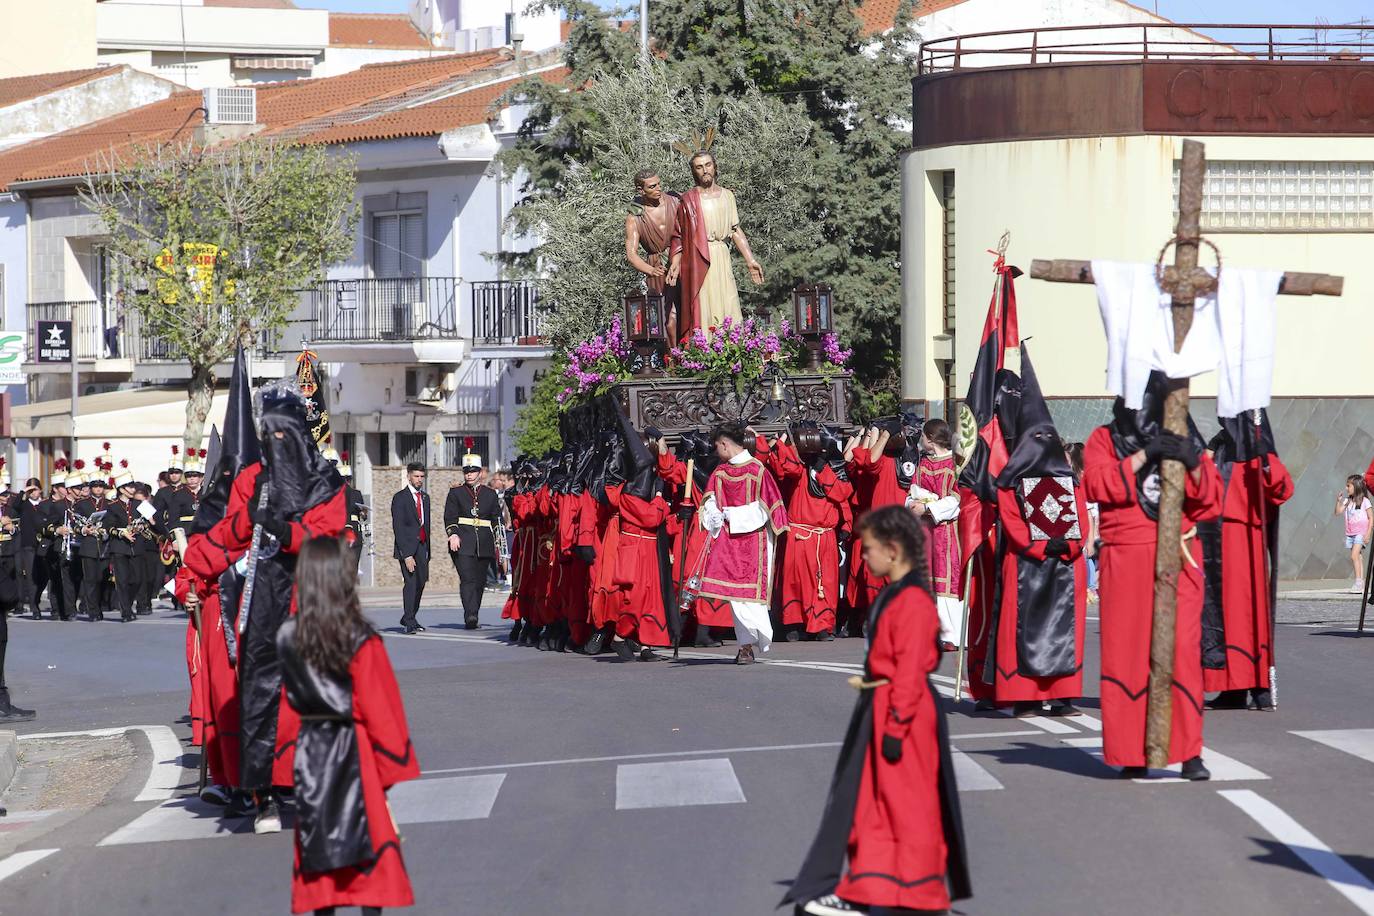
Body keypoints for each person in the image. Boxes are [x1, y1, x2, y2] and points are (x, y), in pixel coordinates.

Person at [783, 505, 970, 916]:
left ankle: (908, 893)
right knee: (876, 804)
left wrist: (895, 724)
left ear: (892, 549)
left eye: (868, 549)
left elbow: (912, 667)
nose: (862, 556)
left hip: (904, 715)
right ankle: (875, 887)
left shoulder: (916, 603)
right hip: (883, 707)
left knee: (905, 805)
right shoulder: (895, 593)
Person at [1082, 371, 1222, 780]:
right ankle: (1134, 749)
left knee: (1181, 652)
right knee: (1128, 655)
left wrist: (1193, 460)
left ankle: (1189, 750)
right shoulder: (1103, 440)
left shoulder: (1182, 436)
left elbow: (1210, 503)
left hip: (1178, 560)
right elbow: (1096, 484)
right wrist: (1143, 457)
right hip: (1124, 565)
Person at [278, 536, 420, 916]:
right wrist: (390, 766)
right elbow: (380, 706)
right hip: (354, 750)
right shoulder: (360, 636)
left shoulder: (288, 635)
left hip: (311, 749)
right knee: (368, 851)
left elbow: (286, 708)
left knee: (319, 847)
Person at [988, 348, 1088, 718]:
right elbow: (1012, 521)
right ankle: (1027, 696)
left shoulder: (1069, 480)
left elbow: (1081, 515)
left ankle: (1062, 695)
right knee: (1022, 629)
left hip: (1065, 562)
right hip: (1026, 563)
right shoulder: (1009, 483)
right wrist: (1035, 547)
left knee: (1065, 631)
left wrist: (1070, 545)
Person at [1202, 411, 1294, 711]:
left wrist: (1264, 459)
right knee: (1223, 616)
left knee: (1247, 616)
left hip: (1245, 540)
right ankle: (1232, 686)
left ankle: (1257, 684)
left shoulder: (1256, 447)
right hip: (1217, 540)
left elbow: (1282, 488)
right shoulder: (1218, 447)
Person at [697, 422, 788, 664]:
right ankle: (745, 645)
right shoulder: (719, 471)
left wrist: (732, 515)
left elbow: (767, 509)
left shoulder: (758, 470)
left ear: (725, 444)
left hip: (753, 541)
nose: (717, 452)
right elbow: (710, 501)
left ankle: (751, 641)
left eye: (717, 446)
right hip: (727, 541)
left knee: (749, 597)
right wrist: (713, 513)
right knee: (734, 596)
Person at [762, 425, 853, 642]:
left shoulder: (833, 466)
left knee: (825, 582)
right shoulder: (797, 467)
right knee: (795, 581)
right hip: (799, 534)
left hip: (824, 535)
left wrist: (846, 524)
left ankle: (821, 625)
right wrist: (785, 442)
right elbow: (784, 466)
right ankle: (794, 624)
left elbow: (843, 494)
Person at [666, 150, 764, 338]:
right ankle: (704, 349)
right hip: (698, 258)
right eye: (699, 167)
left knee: (728, 299)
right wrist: (676, 263)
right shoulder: (687, 200)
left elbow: (735, 230)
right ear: (694, 171)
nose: (705, 170)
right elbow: (678, 235)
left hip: (721, 254)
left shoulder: (727, 196)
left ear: (715, 166)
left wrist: (750, 260)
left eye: (708, 165)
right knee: (704, 302)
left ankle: (731, 347)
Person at [907, 418, 963, 650]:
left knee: (948, 580)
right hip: (927, 531)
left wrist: (931, 507)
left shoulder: (955, 464)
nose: (921, 440)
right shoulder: (924, 464)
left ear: (930, 439)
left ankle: (954, 635)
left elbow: (958, 498)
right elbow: (912, 492)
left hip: (950, 531)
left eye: (923, 436)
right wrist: (914, 504)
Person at [444, 451, 502, 630]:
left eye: (473, 471)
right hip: (463, 542)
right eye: (466, 471)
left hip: (484, 543)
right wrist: (453, 534)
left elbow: (496, 520)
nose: (469, 474)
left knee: (479, 581)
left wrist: (499, 543)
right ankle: (470, 614)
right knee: (467, 579)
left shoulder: (490, 494)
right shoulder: (456, 493)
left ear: (481, 472)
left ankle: (474, 610)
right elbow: (450, 517)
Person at [624, 168, 683, 339]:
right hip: (657, 266)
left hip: (682, 259)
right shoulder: (634, 217)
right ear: (640, 190)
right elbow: (631, 254)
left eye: (659, 184)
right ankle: (672, 361)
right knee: (669, 319)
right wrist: (650, 270)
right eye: (652, 186)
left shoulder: (675, 201)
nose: (658, 189)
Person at [390, 463, 431, 635]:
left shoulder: (425, 498)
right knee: (411, 583)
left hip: (422, 547)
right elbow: (398, 527)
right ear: (408, 476)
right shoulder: (400, 498)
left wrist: (428, 549)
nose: (419, 480)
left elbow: (425, 525)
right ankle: (408, 621)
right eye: (416, 476)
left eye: (422, 476)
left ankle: (411, 617)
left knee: (421, 583)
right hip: (407, 548)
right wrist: (406, 555)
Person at [39, 467, 77, 622]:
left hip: (69, 545)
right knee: (55, 579)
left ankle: (66, 608)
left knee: (68, 579)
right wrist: (57, 530)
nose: (65, 489)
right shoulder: (46, 505)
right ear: (55, 488)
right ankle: (57, 609)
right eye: (62, 486)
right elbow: (41, 526)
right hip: (50, 545)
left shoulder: (72, 504)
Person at [74, 475, 114, 622]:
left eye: (101, 486)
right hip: (88, 546)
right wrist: (84, 529)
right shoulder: (82, 504)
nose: (98, 489)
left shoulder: (109, 504)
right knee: (90, 580)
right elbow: (75, 524)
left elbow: (113, 521)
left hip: (104, 546)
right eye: (95, 486)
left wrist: (106, 529)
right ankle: (92, 610)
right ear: (91, 488)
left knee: (102, 579)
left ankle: (99, 606)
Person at [8, 478, 44, 620]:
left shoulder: (44, 504)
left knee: (43, 577)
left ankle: (37, 598)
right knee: (30, 576)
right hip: (28, 545)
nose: (34, 493)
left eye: (36, 489)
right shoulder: (24, 504)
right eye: (31, 490)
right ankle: (35, 608)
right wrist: (24, 492)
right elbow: (15, 506)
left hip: (43, 545)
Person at [1337, 475, 1372, 594]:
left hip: (1360, 533)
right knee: (1359, 557)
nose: (1347, 488)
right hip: (1350, 533)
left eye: (1349, 486)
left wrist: (1368, 533)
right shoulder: (1347, 501)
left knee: (1354, 556)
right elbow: (1338, 512)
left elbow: (1371, 518)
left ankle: (1357, 583)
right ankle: (1361, 584)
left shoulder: (1364, 501)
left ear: (1356, 486)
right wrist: (1339, 501)